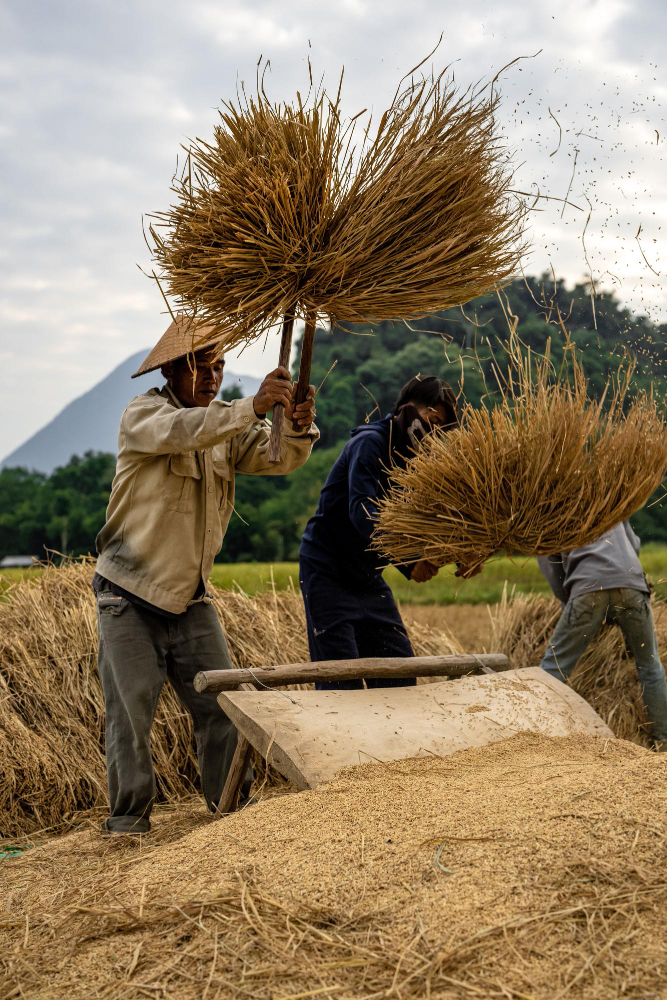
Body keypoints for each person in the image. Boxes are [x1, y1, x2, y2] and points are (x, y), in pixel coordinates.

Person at [94, 315, 318, 834]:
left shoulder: (224, 427)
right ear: (173, 369)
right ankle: (128, 824)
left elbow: (274, 455)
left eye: (219, 367)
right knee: (131, 716)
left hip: (190, 601)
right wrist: (254, 406)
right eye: (201, 366)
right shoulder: (144, 415)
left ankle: (228, 815)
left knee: (222, 706)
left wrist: (296, 421)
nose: (213, 377)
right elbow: (185, 431)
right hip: (128, 595)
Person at [299, 375, 464, 690]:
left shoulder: (419, 465)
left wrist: (462, 552)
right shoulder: (370, 443)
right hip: (327, 570)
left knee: (398, 675)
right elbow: (363, 512)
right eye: (431, 416)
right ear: (407, 409)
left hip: (368, 577)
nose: (432, 427)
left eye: (440, 425)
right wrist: (408, 561)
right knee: (339, 682)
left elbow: (433, 520)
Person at [538, 521, 667, 750]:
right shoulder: (608, 502)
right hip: (632, 585)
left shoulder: (553, 516)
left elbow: (552, 568)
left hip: (588, 589)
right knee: (650, 666)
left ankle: (538, 736)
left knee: (553, 669)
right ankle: (663, 741)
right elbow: (633, 544)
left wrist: (571, 607)